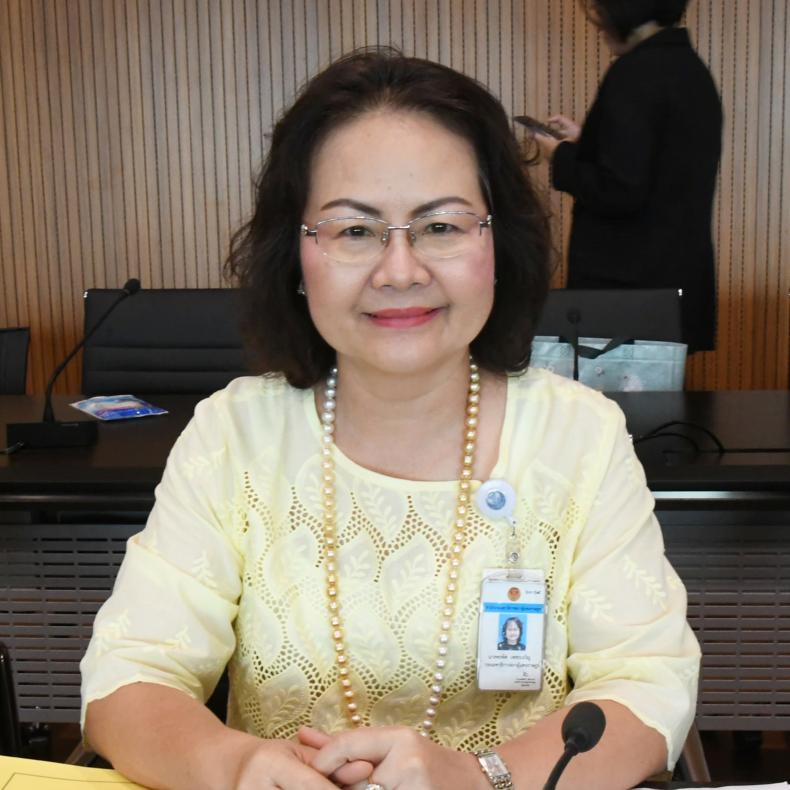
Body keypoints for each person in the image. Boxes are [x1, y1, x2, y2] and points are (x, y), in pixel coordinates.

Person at [81, 48, 700, 790]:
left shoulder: (579, 437)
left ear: (497, 244)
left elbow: (644, 686)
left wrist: (480, 777)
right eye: (353, 231)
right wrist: (236, 765)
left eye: (441, 226)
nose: (400, 270)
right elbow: (128, 678)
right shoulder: (235, 435)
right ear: (295, 255)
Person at [533, 0, 723, 354]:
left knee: (615, 390)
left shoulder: (635, 73)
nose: (598, 24)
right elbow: (661, 162)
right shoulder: (689, 68)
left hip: (628, 286)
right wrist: (587, 142)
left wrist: (560, 156)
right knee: (659, 387)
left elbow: (618, 190)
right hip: (673, 275)